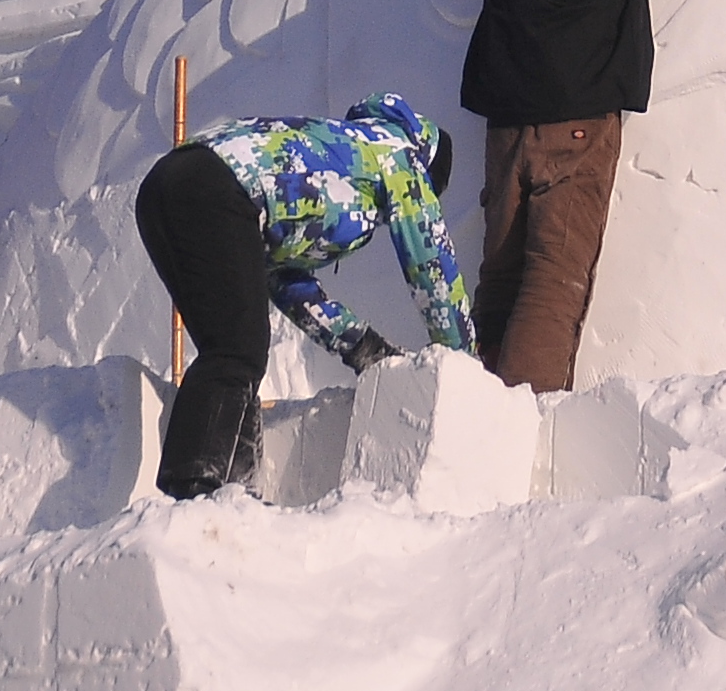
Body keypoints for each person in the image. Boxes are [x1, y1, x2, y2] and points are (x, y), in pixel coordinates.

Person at [459, 0, 705, 393]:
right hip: (579, 120)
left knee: (501, 275)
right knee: (554, 279)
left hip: (506, 121)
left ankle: (474, 405)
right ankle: (524, 414)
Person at [130, 93, 473, 499]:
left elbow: (282, 279)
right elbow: (431, 264)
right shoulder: (399, 156)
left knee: (234, 342)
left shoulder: (340, 151)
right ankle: (194, 484)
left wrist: (363, 348)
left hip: (167, 186)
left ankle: (232, 488)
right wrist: (462, 363)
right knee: (235, 349)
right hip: (215, 190)